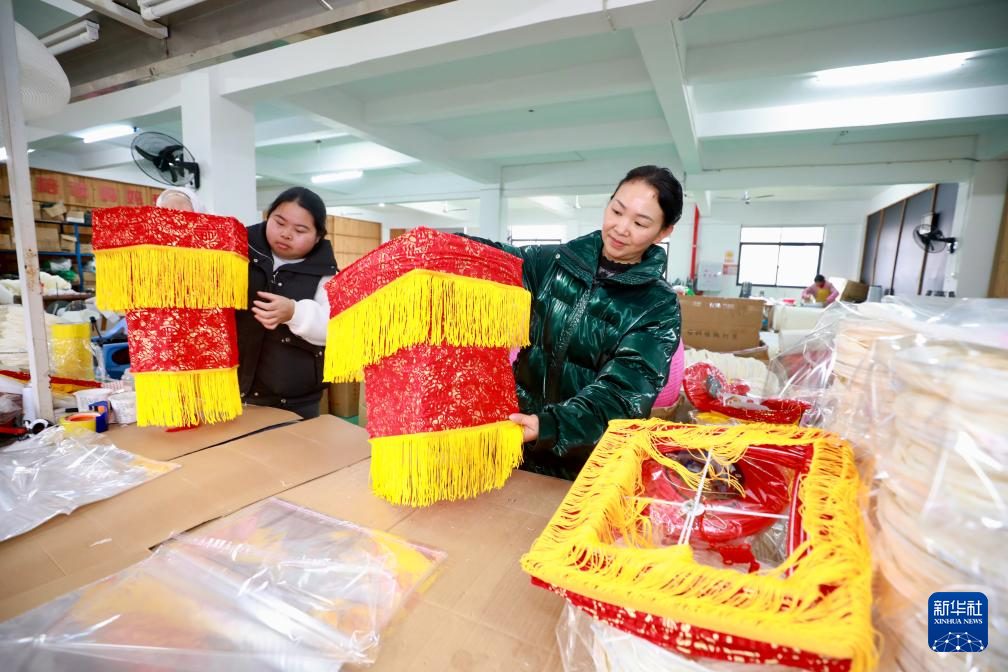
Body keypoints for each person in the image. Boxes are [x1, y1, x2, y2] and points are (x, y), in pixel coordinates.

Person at [474, 165, 683, 480]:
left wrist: (551, 426)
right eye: (617, 211)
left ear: (663, 231)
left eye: (640, 223)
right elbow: (495, 261)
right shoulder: (554, 263)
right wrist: (439, 247)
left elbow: (624, 395)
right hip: (515, 442)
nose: (621, 228)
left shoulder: (657, 305)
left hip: (586, 466)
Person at [236, 187, 337, 419]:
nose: (286, 234)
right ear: (267, 216)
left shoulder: (327, 274)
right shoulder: (236, 251)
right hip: (232, 389)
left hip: (295, 400)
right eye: (279, 222)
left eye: (300, 230)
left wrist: (294, 312)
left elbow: (334, 327)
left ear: (318, 236)